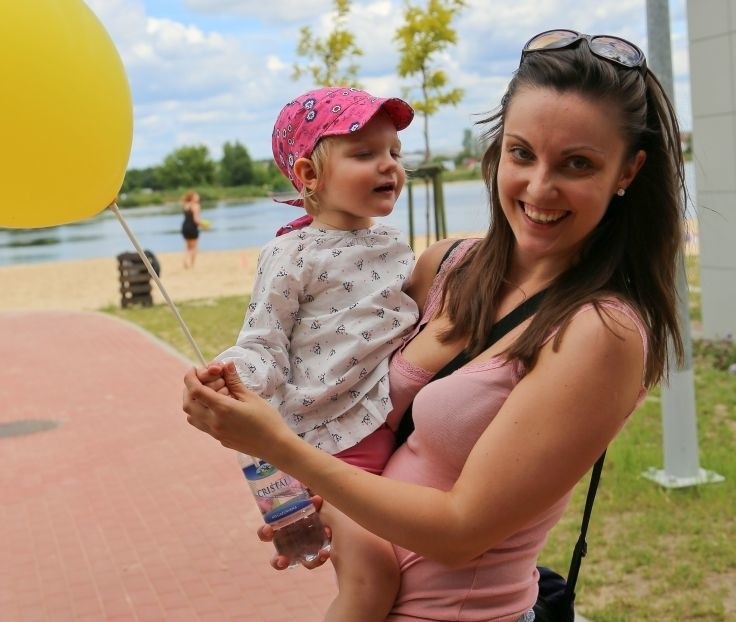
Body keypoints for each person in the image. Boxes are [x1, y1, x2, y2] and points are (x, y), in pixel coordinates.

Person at [184, 29, 687, 622]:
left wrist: (280, 446)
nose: (539, 187)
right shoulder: (445, 266)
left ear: (628, 170)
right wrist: (316, 493)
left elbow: (459, 531)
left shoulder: (601, 330)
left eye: (577, 163)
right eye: (522, 153)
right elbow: (343, 381)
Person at [198, 87, 421, 621]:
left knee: (412, 569)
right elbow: (263, 342)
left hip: (396, 434)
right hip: (328, 447)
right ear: (310, 176)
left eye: (394, 152)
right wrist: (232, 375)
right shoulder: (290, 253)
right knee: (372, 581)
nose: (388, 165)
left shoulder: (394, 243)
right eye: (365, 154)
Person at [181, 189, 202, 268]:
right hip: (192, 227)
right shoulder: (196, 206)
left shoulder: (186, 205)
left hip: (185, 227)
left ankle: (185, 259)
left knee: (187, 246)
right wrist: (204, 225)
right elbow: (196, 220)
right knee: (194, 247)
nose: (198, 197)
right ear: (193, 197)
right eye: (196, 196)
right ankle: (192, 264)